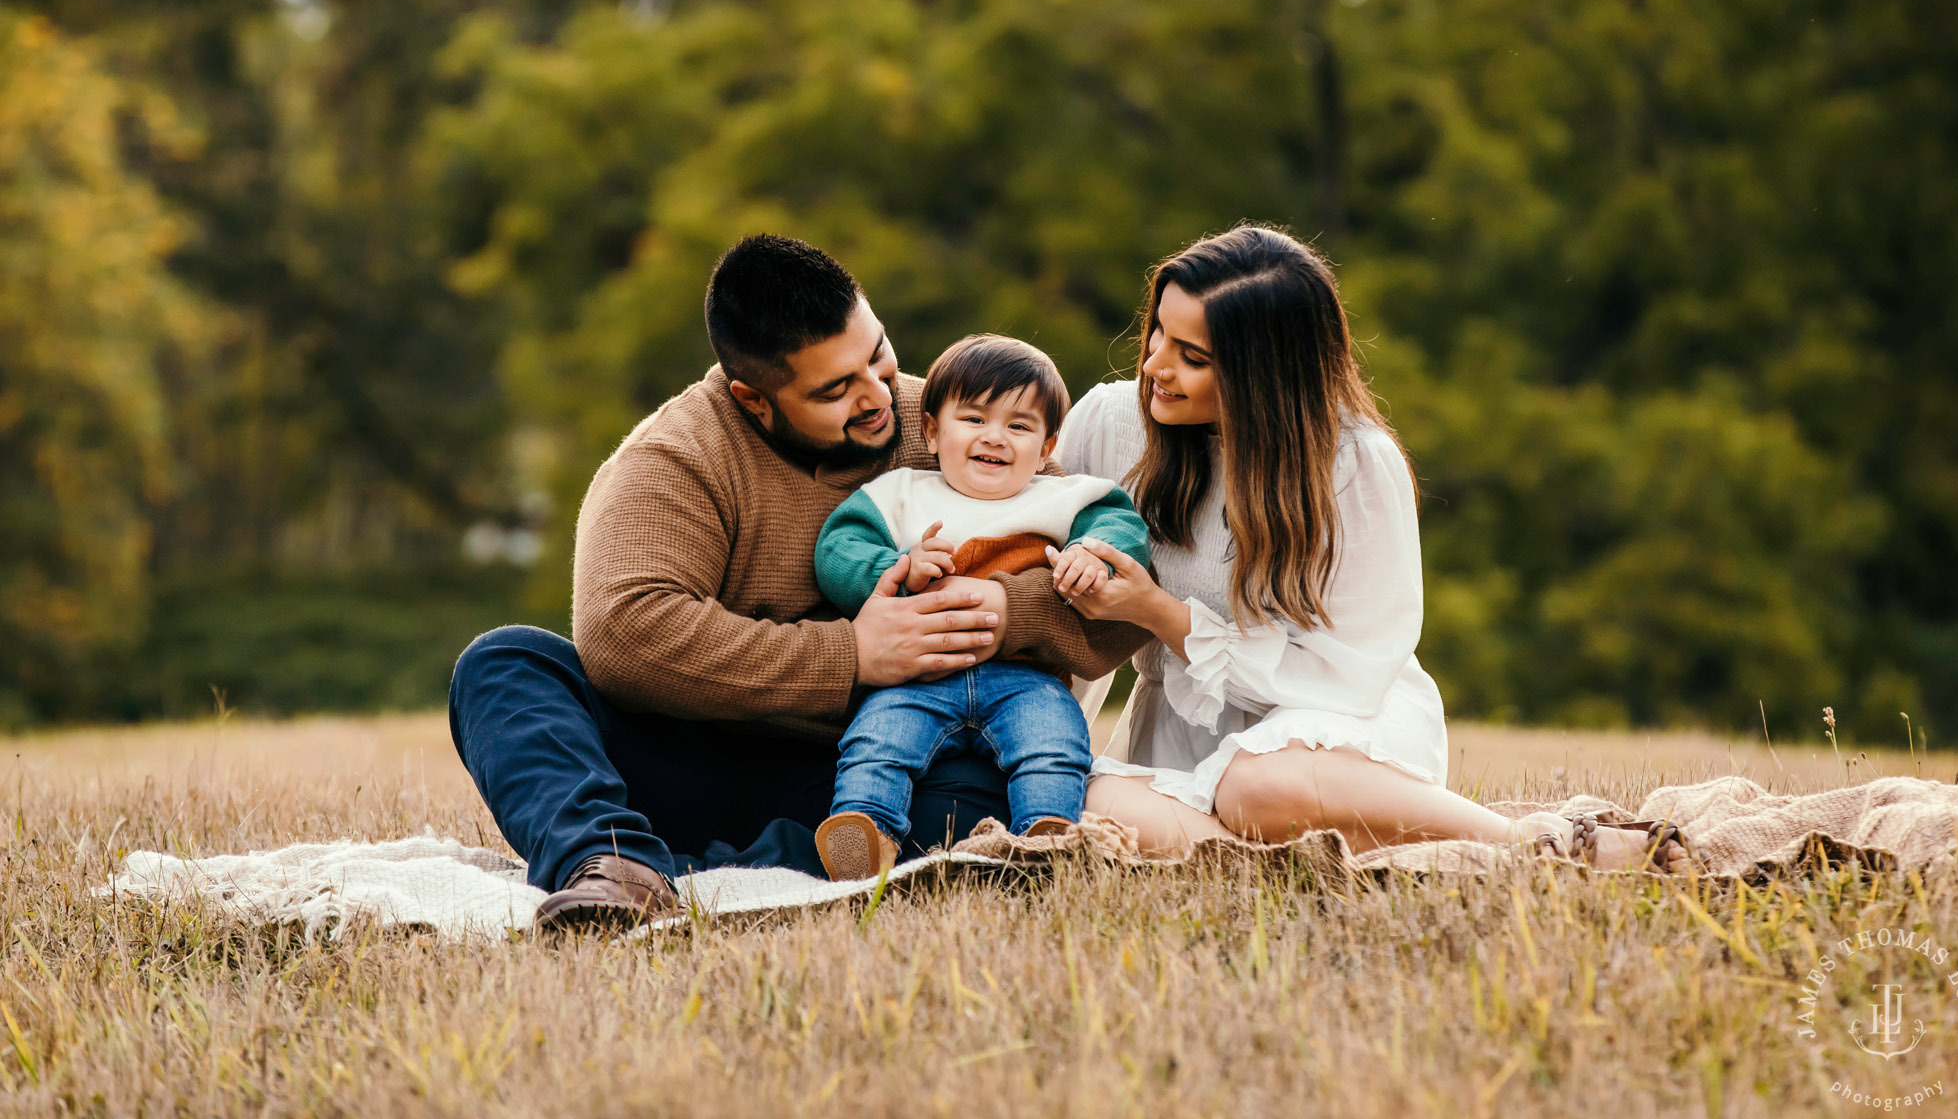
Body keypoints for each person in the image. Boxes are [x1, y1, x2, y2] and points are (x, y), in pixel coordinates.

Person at [448, 236, 1146, 931]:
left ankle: (731, 866)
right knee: (503, 664)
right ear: (756, 399)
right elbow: (625, 631)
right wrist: (854, 655)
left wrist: (1005, 606)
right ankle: (614, 860)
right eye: (836, 389)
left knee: (980, 798)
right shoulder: (676, 457)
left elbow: (1117, 599)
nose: (878, 397)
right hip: (681, 753)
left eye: (876, 355)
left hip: (872, 765)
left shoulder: (950, 424)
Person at [1050, 226, 1694, 872]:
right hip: (1182, 746)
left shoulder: (1353, 465)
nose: (1154, 365)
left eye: (1192, 356)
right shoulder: (1110, 423)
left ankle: (1532, 843)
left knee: (1255, 789)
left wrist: (1163, 614)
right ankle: (1273, 862)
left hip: (1332, 744)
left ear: (1263, 377)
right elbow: (1025, 555)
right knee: (1072, 795)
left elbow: (1350, 676)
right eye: (1158, 333)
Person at [810, 335, 1152, 879]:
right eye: (973, 418)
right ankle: (866, 833)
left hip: (1027, 676)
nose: (995, 437)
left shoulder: (1066, 498)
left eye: (1019, 426)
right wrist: (895, 569)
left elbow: (1122, 529)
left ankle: (1049, 837)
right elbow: (838, 549)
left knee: (1055, 744)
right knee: (877, 741)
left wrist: (1091, 553)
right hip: (914, 677)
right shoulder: (898, 493)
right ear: (931, 430)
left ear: (1046, 448)